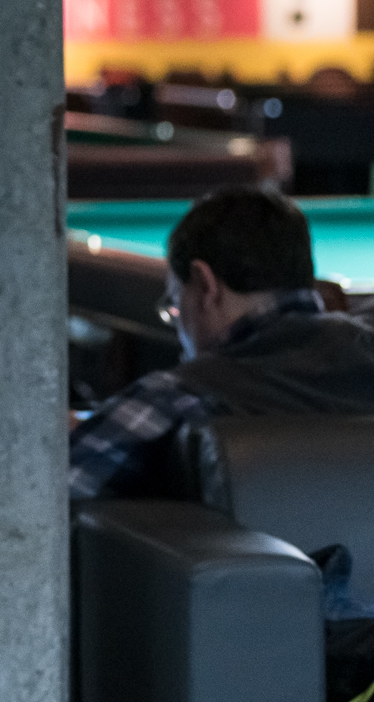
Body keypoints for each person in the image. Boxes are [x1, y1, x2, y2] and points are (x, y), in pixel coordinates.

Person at [70, 186, 374, 500]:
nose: (178, 325)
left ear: (205, 285)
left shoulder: (180, 395)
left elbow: (53, 490)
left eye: (175, 302)